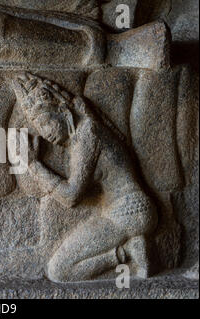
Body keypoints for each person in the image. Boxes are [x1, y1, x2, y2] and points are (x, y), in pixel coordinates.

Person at [11, 73, 158, 282]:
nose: (45, 134)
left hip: (128, 212)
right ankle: (130, 250)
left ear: (62, 111)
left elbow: (71, 197)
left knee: (59, 271)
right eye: (39, 129)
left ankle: (128, 253)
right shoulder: (84, 134)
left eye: (45, 122)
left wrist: (33, 164)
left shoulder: (88, 133)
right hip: (125, 211)